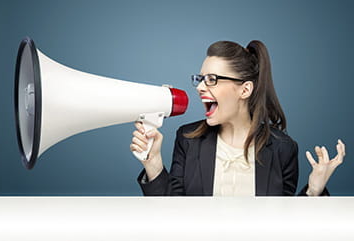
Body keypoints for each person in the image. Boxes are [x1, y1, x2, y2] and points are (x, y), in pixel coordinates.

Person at [130, 40, 346, 196]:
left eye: (212, 79)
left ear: (245, 90)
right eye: (201, 79)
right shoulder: (188, 139)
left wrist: (314, 191)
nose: (200, 87)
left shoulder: (283, 149)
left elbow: (287, 222)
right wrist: (154, 164)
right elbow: (172, 213)